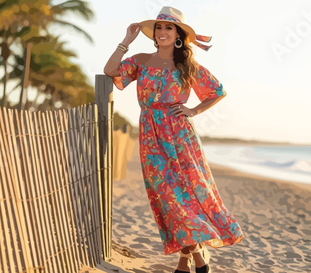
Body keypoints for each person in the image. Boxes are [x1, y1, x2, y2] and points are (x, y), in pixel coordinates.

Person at [104, 6, 244, 273]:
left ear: (178, 34)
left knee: (187, 196)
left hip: (180, 136)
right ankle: (196, 257)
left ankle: (187, 260)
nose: (162, 31)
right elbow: (110, 69)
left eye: (168, 27)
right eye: (159, 27)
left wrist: (193, 110)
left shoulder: (187, 66)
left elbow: (217, 91)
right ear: (154, 34)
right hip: (150, 134)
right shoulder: (141, 60)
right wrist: (126, 41)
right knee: (166, 198)